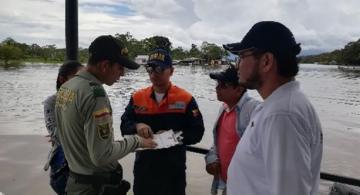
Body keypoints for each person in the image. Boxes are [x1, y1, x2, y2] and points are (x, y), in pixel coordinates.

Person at [223, 21, 323, 195]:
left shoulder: (282, 114)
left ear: (266, 61)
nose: (237, 65)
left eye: (242, 56)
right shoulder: (280, 104)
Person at [55, 35, 157, 195]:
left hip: (74, 180)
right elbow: (102, 156)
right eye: (120, 67)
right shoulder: (95, 95)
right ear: (104, 65)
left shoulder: (67, 87)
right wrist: (137, 141)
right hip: (93, 187)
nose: (122, 74)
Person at [120, 48, 205, 195]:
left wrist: (173, 137)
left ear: (171, 71)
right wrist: (137, 125)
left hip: (173, 171)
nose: (154, 74)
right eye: (150, 69)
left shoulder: (185, 99)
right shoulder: (137, 97)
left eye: (160, 69)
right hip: (144, 169)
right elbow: (124, 125)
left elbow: (197, 131)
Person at [205, 65, 260, 195]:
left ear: (239, 89)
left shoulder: (254, 110)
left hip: (245, 187)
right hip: (227, 184)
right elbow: (218, 142)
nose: (217, 88)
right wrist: (211, 158)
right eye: (218, 84)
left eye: (223, 85)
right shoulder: (224, 109)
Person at [43, 60, 84, 195]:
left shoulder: (85, 99)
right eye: (78, 77)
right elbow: (55, 133)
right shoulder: (52, 102)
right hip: (63, 158)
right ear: (62, 79)